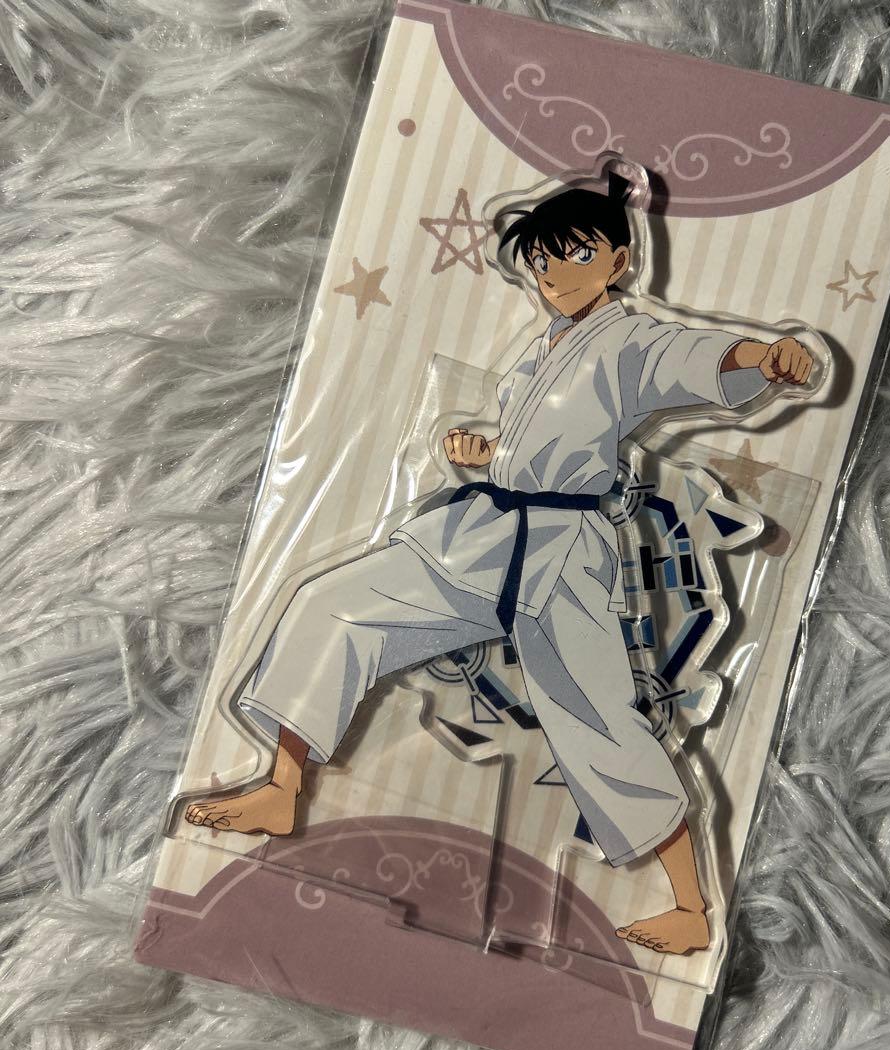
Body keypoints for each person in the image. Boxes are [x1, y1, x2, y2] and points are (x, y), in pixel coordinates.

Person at [184, 173, 816, 955]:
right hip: (483, 537)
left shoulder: (627, 339)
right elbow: (534, 444)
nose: (554, 276)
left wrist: (768, 355)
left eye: (574, 256)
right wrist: (485, 452)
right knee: (334, 604)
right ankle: (282, 787)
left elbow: (694, 356)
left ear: (619, 260)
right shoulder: (545, 345)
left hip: (562, 553)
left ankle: (690, 907)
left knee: (598, 720)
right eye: (541, 262)